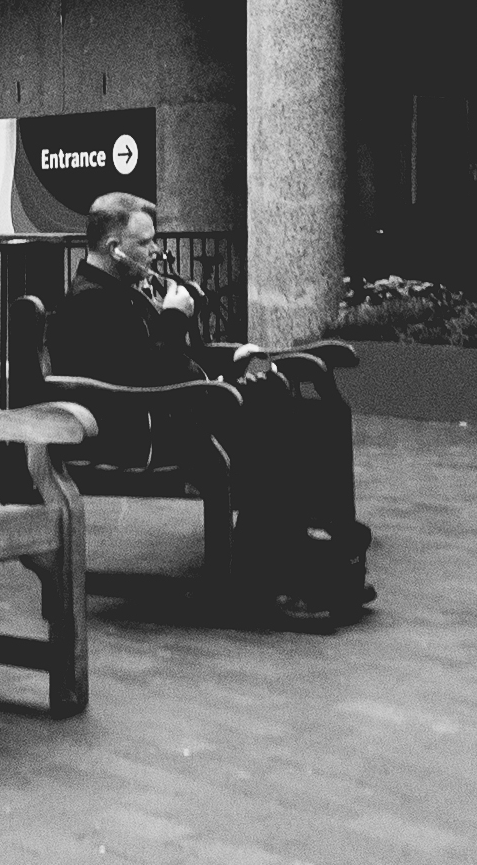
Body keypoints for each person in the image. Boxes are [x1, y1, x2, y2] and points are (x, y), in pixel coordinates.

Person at [42, 193, 372, 622]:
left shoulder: (121, 289)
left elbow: (165, 361)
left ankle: (281, 555)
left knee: (276, 400)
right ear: (114, 248)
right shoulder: (91, 302)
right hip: (138, 430)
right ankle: (274, 572)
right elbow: (146, 373)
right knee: (269, 415)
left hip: (166, 413)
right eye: (146, 243)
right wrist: (175, 319)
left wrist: (229, 360)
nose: (156, 251)